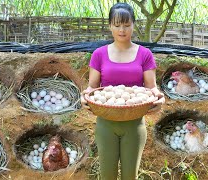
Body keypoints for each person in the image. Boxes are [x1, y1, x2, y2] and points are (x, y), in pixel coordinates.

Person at [81, 2, 165, 180]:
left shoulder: (145, 54)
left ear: (133, 25)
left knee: (130, 176)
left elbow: (151, 88)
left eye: (127, 25)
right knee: (107, 176)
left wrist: (158, 98)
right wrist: (85, 97)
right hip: (106, 124)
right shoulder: (99, 54)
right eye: (117, 25)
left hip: (134, 124)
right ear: (110, 25)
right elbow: (92, 88)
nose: (122, 30)